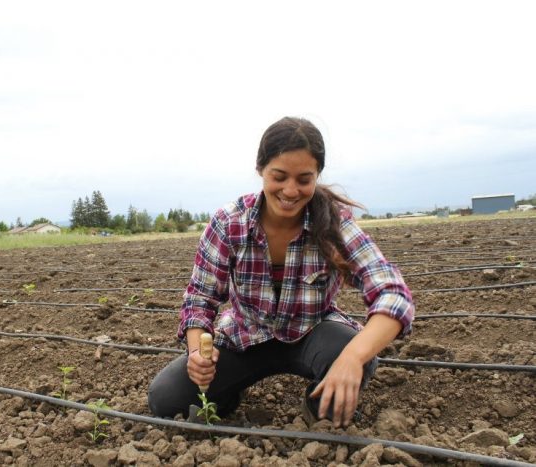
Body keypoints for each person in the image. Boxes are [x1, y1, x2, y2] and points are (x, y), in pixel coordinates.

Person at [148, 116, 415, 428]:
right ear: (261, 169)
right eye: (279, 176)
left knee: (351, 360)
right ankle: (227, 395)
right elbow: (200, 299)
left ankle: (317, 406)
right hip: (244, 336)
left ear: (317, 176)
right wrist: (197, 353)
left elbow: (393, 293)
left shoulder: (334, 226)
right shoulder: (229, 223)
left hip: (312, 333)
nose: (291, 190)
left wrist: (353, 358)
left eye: (304, 179)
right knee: (167, 400)